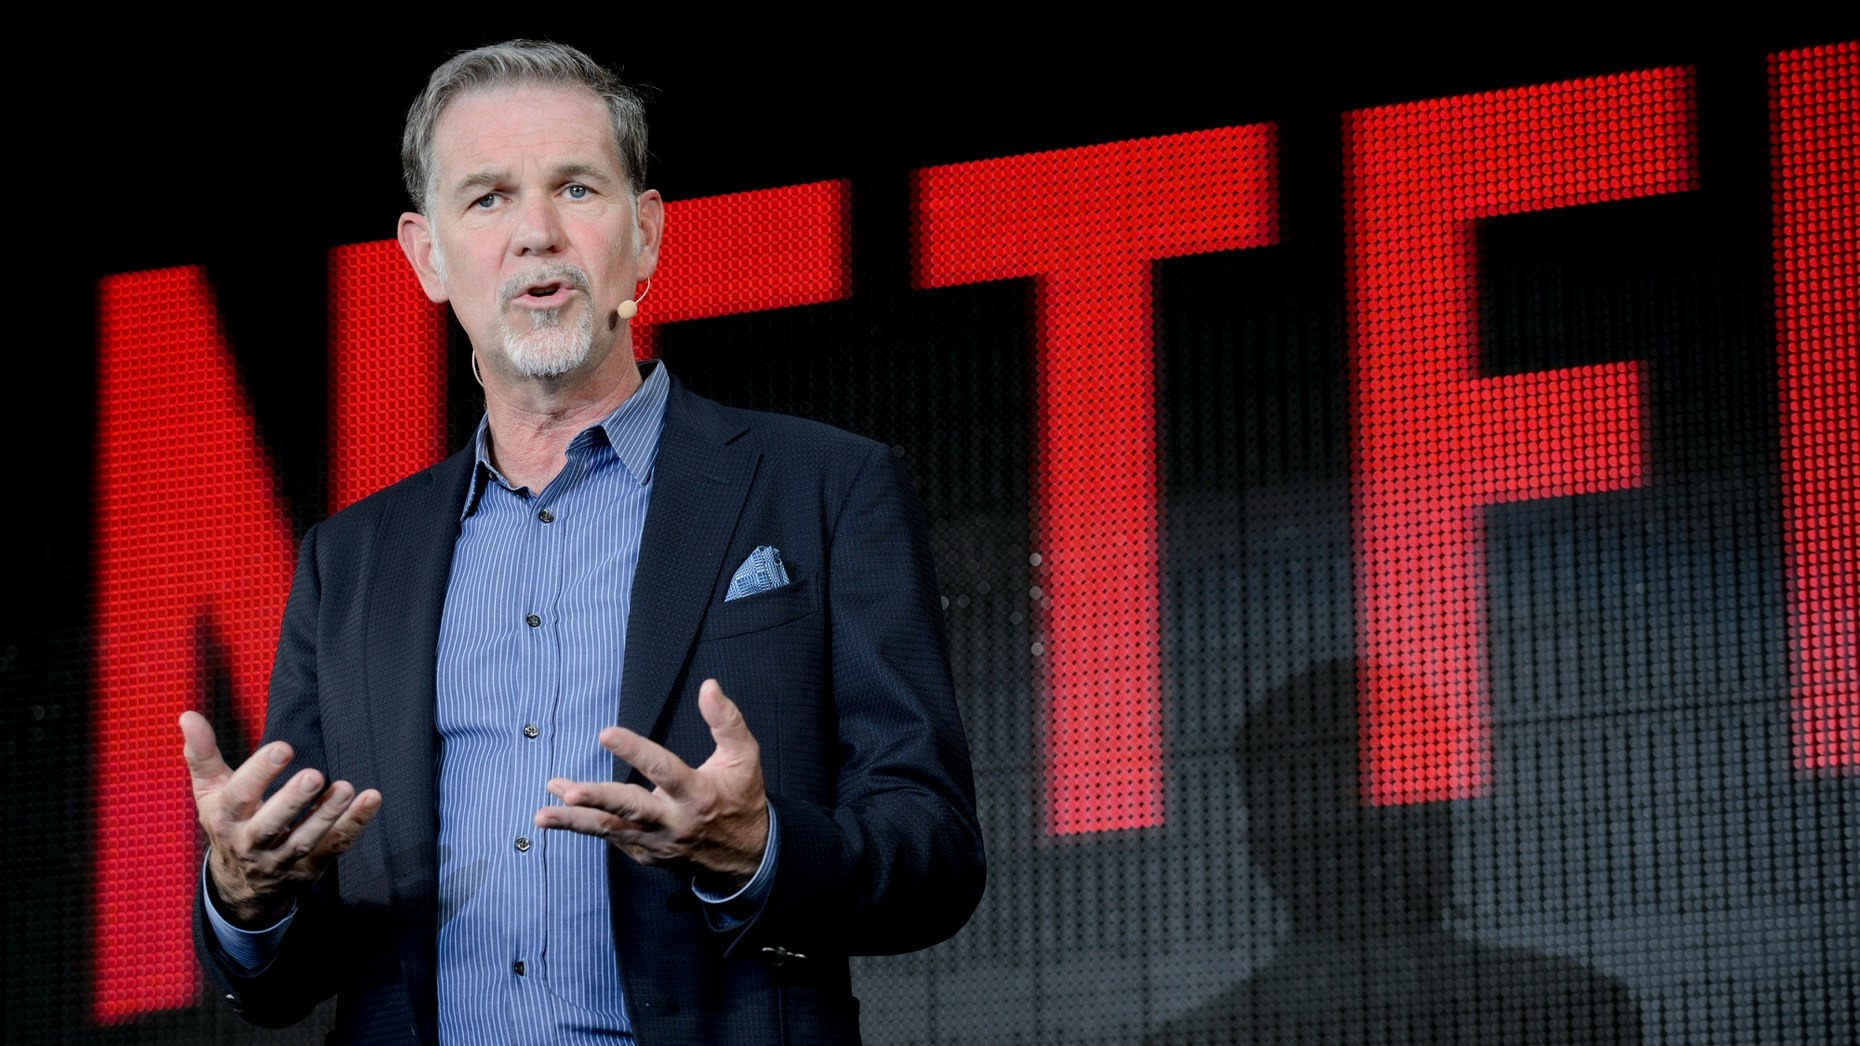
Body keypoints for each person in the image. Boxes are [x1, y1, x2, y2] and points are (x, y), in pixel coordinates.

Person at [178, 39, 984, 1045]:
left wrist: (758, 846)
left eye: (575, 187)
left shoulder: (823, 486)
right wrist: (244, 891)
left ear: (644, 234)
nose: (536, 234)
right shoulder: (350, 561)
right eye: (488, 199)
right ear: (426, 255)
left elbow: (936, 853)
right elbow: (284, 978)